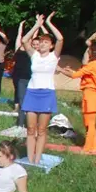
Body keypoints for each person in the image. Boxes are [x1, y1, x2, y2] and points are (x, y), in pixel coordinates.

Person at [20, 13, 64, 165]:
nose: (43, 44)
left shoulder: (54, 56)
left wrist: (50, 22)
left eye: (46, 42)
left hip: (47, 94)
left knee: (42, 130)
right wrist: (37, 25)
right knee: (31, 129)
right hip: (32, 93)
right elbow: (25, 40)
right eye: (42, 41)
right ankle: (30, 159)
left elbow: (60, 39)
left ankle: (37, 159)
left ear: (51, 45)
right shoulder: (34, 56)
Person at [59, 36, 96, 153]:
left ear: (94, 51)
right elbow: (81, 73)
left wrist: (61, 69)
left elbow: (75, 75)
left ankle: (88, 148)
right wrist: (70, 71)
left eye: (90, 50)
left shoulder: (93, 65)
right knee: (91, 123)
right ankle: (93, 146)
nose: (88, 52)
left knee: (89, 123)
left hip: (90, 94)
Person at [11, 20, 31, 128]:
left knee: (25, 93)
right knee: (17, 91)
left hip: (27, 73)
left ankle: (24, 109)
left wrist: (37, 26)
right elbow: (19, 36)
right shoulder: (18, 48)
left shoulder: (30, 49)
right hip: (17, 72)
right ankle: (16, 106)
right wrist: (21, 25)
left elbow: (33, 36)